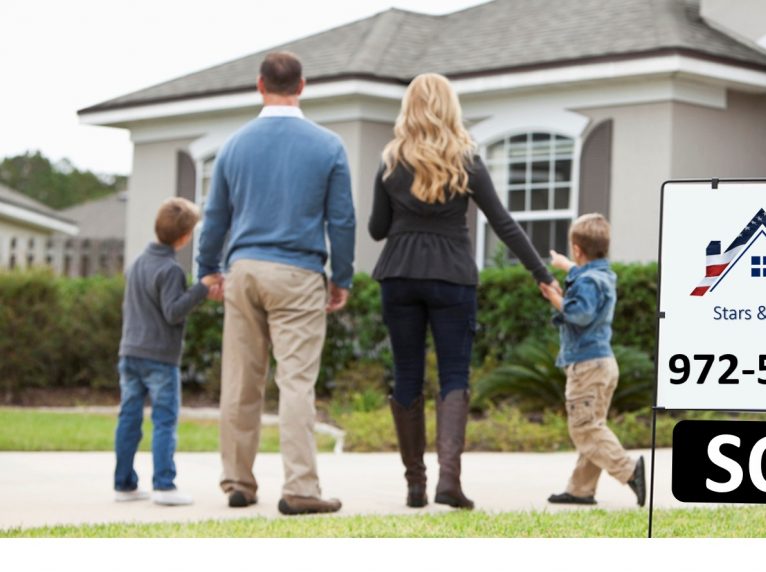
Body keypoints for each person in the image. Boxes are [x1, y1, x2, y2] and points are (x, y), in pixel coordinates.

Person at [369, 73, 558, 510]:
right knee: (454, 376)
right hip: (452, 276)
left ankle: (415, 485)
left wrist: (405, 216)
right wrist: (541, 274)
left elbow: (377, 229)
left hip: (398, 274)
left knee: (407, 375)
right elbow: (502, 222)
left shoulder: (390, 161)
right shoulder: (466, 159)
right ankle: (447, 482)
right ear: (450, 107)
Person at [196, 51, 355, 515]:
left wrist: (208, 268)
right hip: (298, 273)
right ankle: (301, 487)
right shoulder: (328, 145)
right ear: (302, 86)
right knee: (296, 382)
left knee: (241, 382)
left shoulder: (234, 145)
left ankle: (239, 483)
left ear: (260, 86)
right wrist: (340, 276)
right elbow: (342, 219)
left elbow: (214, 218)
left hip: (243, 270)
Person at [115, 197, 221, 506]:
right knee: (163, 420)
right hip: (159, 358)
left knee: (129, 419)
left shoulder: (136, 263)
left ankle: (124, 484)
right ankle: (164, 484)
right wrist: (201, 288)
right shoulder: (170, 270)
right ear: (186, 236)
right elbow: (173, 311)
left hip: (129, 353)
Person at [539, 213, 646, 507]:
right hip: (602, 363)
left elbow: (579, 314)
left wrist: (555, 298)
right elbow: (585, 278)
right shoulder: (603, 275)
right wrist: (567, 266)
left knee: (584, 428)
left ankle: (630, 471)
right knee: (593, 424)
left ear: (577, 248)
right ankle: (580, 490)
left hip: (587, 365)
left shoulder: (587, 281)